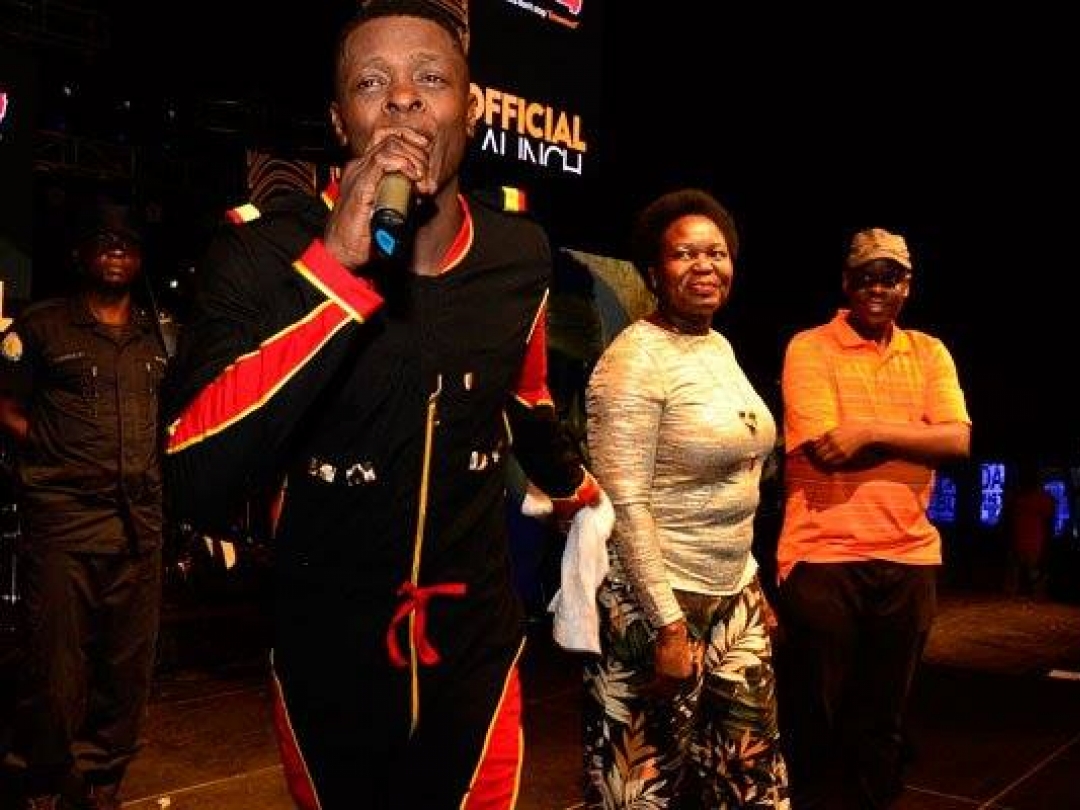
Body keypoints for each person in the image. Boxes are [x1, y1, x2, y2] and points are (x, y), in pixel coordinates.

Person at [160, 1, 599, 808]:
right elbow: (196, 473)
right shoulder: (259, 251)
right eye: (372, 82)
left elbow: (525, 396)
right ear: (339, 121)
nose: (402, 97)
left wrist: (580, 494)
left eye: (430, 77)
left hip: (474, 656)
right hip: (328, 663)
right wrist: (336, 270)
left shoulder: (520, 253)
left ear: (471, 109)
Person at [583, 189, 790, 808]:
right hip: (655, 602)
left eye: (717, 253)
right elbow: (625, 505)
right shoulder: (631, 362)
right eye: (684, 254)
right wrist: (669, 626)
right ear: (653, 272)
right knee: (641, 788)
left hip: (732, 594)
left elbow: (740, 479)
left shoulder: (717, 345)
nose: (705, 266)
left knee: (751, 778)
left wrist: (751, 585)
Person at [775, 227, 971, 809]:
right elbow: (826, 448)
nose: (877, 287)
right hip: (823, 555)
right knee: (815, 721)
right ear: (846, 282)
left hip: (909, 555)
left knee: (882, 724)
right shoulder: (810, 347)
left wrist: (867, 430)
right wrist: (916, 439)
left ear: (907, 285)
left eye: (890, 277)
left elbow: (958, 441)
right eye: (865, 276)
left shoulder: (930, 352)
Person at [0, 202, 167, 810]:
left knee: (127, 667)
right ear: (81, 255)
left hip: (138, 524)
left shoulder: (157, 337)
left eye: (128, 243)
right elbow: (6, 405)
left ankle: (101, 778)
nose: (117, 250)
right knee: (54, 666)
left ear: (140, 258)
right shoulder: (42, 327)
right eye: (104, 240)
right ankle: (44, 780)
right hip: (64, 521)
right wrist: (53, 452)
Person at [1002, 461, 1055, 598]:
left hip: (1024, 542)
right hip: (1031, 543)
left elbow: (1007, 519)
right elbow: (1049, 522)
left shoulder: (1016, 498)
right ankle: (1035, 595)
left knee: (1023, 574)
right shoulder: (1043, 498)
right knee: (1031, 574)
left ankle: (1021, 595)